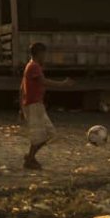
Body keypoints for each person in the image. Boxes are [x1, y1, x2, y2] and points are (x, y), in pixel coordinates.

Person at [20, 42, 72, 170]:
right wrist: (63, 84)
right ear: (39, 53)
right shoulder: (34, 67)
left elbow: (21, 87)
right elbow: (43, 82)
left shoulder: (31, 66)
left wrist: (21, 106)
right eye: (44, 54)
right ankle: (30, 159)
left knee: (49, 134)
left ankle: (30, 157)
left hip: (35, 104)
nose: (45, 57)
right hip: (34, 105)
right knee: (41, 135)